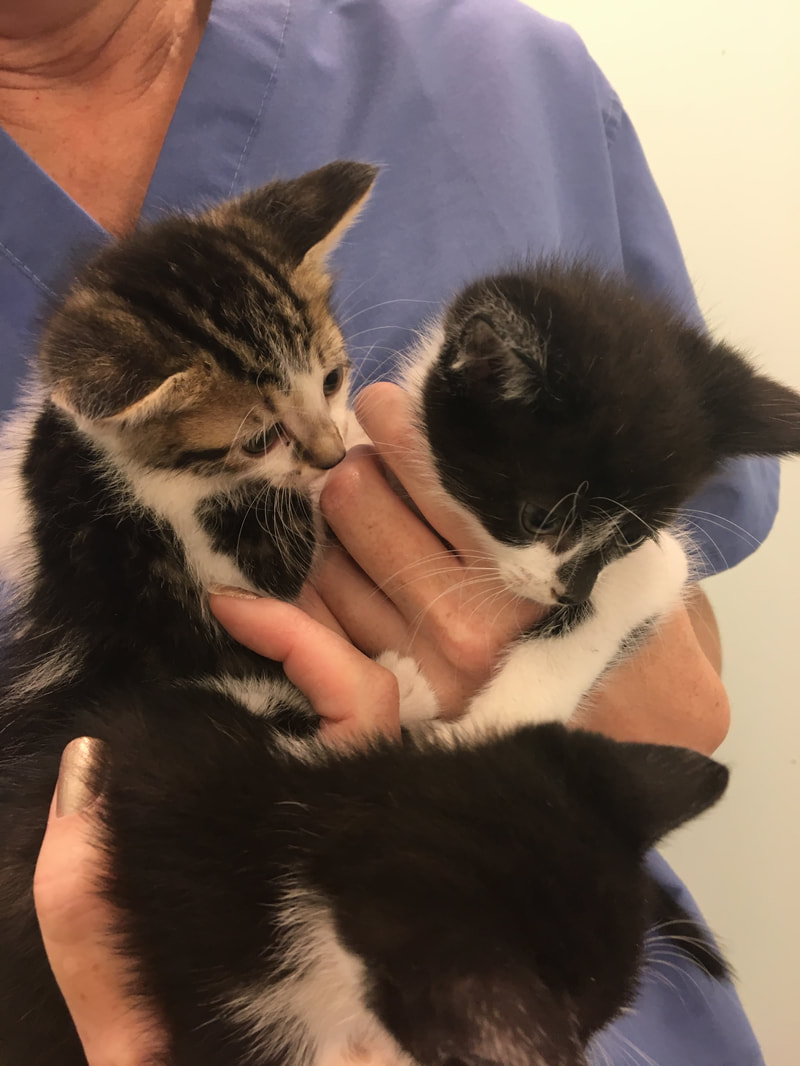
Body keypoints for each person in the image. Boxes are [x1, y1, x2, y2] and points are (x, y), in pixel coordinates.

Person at [1, 0, 769, 1062]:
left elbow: (681, 693)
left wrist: (590, 676)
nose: (322, 453)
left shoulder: (500, 77)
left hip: (550, 975)